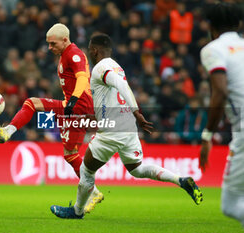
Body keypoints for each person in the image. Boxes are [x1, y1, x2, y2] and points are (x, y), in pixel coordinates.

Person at [50, 34, 203, 219]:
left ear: (94, 50)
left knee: (86, 169)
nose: (89, 53)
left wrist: (137, 111)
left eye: (90, 49)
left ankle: (77, 211)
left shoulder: (101, 67)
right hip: (127, 127)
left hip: (113, 130)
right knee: (137, 169)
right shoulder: (117, 66)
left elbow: (120, 84)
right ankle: (180, 180)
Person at [0, 23, 103, 213]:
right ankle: (94, 191)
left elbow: (82, 78)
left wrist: (72, 101)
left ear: (65, 39)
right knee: (70, 154)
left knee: (32, 103)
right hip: (76, 105)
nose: (49, 48)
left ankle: (7, 131)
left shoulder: (74, 53)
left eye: (53, 44)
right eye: (48, 44)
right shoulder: (65, 54)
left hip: (78, 106)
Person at [199, 3, 244, 227]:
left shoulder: (213, 49)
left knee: (231, 204)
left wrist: (208, 136)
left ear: (211, 26)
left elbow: (220, 92)